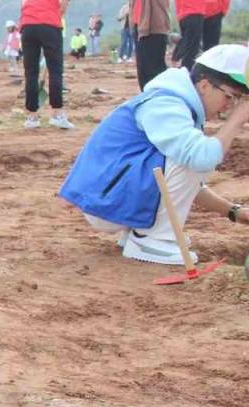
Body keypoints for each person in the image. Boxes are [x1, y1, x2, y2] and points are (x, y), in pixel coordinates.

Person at [61, 45, 249, 266]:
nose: (229, 107)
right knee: (198, 154)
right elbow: (200, 160)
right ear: (205, 85)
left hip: (109, 195)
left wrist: (232, 211)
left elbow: (181, 183)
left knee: (192, 154)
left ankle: (144, 232)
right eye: (231, 97)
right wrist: (238, 119)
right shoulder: (166, 103)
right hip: (104, 200)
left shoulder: (179, 105)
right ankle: (151, 239)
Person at [21, 0, 73, 130]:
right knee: (55, 71)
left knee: (31, 73)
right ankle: (57, 114)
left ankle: (32, 117)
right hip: (49, 23)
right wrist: (58, 14)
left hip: (28, 25)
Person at [134, 0, 171, 89]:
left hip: (153, 28)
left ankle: (156, 95)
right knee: (145, 68)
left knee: (151, 69)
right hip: (142, 27)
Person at [175, 0, 205, 70]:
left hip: (183, 13)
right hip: (194, 11)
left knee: (187, 47)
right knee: (192, 50)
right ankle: (186, 73)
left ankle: (185, 71)